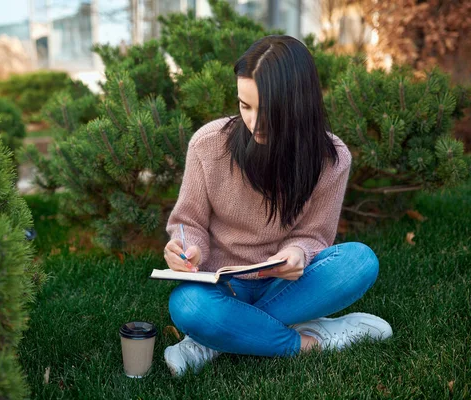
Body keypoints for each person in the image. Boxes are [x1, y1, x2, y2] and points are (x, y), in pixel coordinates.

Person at [162, 35, 393, 377]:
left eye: (268, 109)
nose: (254, 122)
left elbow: (315, 234)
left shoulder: (331, 158)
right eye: (245, 105)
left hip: (284, 284)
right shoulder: (208, 145)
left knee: (360, 262)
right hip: (223, 284)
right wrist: (187, 248)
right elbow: (188, 221)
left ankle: (215, 338)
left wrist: (298, 252)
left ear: (300, 102)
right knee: (188, 306)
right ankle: (311, 340)